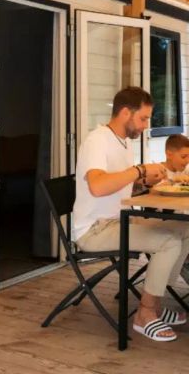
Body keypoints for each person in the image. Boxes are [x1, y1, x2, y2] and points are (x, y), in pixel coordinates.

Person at [73, 86, 189, 342]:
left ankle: (155, 301)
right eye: (143, 118)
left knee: (184, 229)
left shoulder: (123, 143)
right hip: (96, 229)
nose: (146, 126)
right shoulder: (97, 140)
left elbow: (120, 186)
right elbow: (97, 186)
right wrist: (138, 170)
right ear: (126, 112)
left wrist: (143, 183)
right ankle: (145, 314)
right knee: (169, 241)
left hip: (119, 219)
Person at [160, 134, 189, 284]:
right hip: (164, 222)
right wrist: (172, 180)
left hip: (182, 220)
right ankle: (168, 279)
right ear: (169, 154)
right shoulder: (158, 172)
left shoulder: (184, 173)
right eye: (184, 156)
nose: (187, 160)